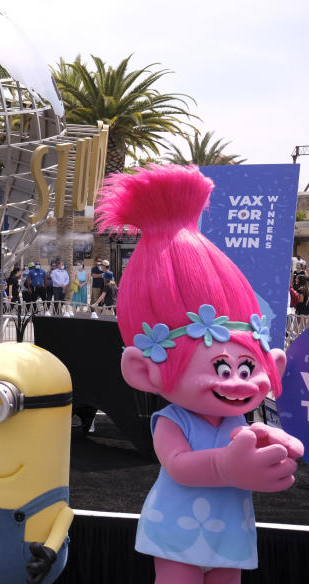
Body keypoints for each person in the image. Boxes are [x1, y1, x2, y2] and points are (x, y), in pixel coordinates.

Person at [96, 165, 302, 582]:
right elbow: (178, 465)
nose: (238, 381)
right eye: (221, 368)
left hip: (230, 533)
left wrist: (275, 443)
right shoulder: (172, 420)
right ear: (144, 372)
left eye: (247, 366)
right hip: (176, 530)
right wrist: (226, 468)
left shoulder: (235, 418)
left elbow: (249, 444)